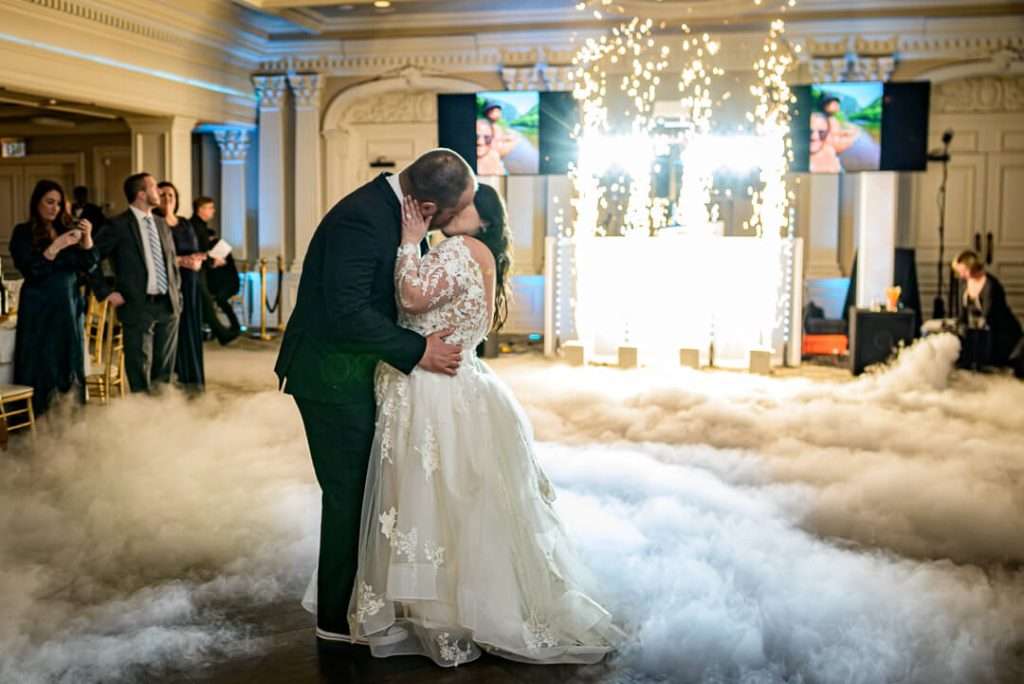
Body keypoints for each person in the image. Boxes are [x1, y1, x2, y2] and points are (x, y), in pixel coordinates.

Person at [329, 184, 622, 666]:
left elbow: (412, 296)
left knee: (428, 495)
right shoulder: (482, 254)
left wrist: (409, 241)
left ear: (481, 218)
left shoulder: (460, 248)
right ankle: (463, 601)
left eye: (463, 205)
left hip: (432, 388)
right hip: (461, 382)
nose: (452, 209)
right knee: (457, 497)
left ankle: (438, 608)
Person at [275, 149, 471, 647]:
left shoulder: (395, 211)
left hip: (356, 370)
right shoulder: (361, 219)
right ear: (428, 207)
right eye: (454, 213)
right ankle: (336, 622)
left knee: (368, 492)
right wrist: (418, 350)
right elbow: (346, 312)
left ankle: (364, 604)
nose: (457, 222)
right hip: (331, 376)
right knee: (350, 495)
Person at [9, 180, 99, 416]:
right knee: (41, 360)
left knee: (69, 359)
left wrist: (87, 239)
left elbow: (89, 266)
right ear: (36, 202)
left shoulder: (65, 229)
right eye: (49, 202)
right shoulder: (22, 232)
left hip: (69, 304)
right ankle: (39, 416)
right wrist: (56, 246)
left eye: (59, 204)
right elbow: (31, 270)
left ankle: (71, 416)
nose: (55, 208)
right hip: (39, 305)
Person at [91, 173, 182, 393]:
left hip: (168, 305)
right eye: (154, 187)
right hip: (137, 305)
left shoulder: (161, 223)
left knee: (165, 372)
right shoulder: (117, 225)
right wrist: (106, 292)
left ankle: (163, 412)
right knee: (140, 369)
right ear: (141, 194)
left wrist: (177, 295)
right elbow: (90, 259)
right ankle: (141, 413)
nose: (159, 191)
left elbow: (171, 263)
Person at [157, 181, 205, 391]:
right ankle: (174, 379)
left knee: (191, 327)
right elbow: (156, 257)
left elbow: (195, 249)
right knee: (173, 330)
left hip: (191, 281)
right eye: (163, 195)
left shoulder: (185, 223)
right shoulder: (155, 223)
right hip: (170, 283)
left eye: (171, 195)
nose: (167, 199)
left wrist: (198, 260)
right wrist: (180, 261)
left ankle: (192, 379)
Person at [953, 250, 1024, 378]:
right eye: (959, 272)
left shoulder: (991, 285)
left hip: (1002, 332)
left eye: (963, 271)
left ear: (972, 266)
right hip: (983, 331)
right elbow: (962, 314)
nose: (961, 274)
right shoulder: (964, 283)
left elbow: (988, 316)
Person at [190, 197, 240, 345]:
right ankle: (223, 334)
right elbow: (198, 252)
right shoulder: (196, 227)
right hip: (196, 272)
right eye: (210, 207)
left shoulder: (199, 226)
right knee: (207, 307)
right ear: (201, 209)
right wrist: (213, 261)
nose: (213, 211)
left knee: (207, 306)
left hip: (201, 272)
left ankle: (223, 334)